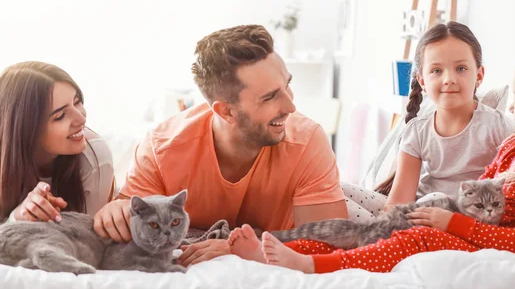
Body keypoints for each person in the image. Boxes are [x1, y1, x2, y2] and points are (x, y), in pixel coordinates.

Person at [229, 49, 515, 274]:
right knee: (364, 233)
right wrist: (443, 213)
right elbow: (479, 184)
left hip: (485, 243)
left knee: (414, 239)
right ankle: (274, 252)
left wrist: (450, 223)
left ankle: (313, 266)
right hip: (454, 221)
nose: (510, 107)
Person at [93, 24, 347, 266]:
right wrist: (115, 212)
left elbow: (326, 244)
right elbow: (128, 221)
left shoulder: (307, 140)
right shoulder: (161, 149)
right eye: (270, 97)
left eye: (287, 85)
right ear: (226, 112)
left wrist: (245, 248)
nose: (291, 106)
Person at [343, 22, 515, 222]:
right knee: (338, 189)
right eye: (436, 71)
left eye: (460, 68)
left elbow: (509, 190)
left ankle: (376, 238)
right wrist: (387, 220)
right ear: (422, 81)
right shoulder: (417, 129)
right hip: (418, 212)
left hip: (455, 218)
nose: (449, 79)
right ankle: (373, 235)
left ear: (479, 75)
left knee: (438, 199)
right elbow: (399, 202)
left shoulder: (498, 126)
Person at [0, 61, 115, 222]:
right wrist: (17, 220)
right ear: (26, 130)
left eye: (77, 102)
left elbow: (88, 239)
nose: (81, 119)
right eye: (60, 116)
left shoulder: (95, 158)